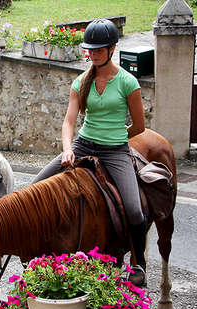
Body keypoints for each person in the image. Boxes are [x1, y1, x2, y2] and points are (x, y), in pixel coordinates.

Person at [32, 18, 148, 286]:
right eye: (90, 50)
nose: (93, 55)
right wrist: (67, 150)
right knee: (35, 185)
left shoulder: (128, 83)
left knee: (133, 208)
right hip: (82, 144)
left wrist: (116, 139)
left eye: (99, 50)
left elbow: (140, 126)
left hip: (115, 151)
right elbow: (69, 122)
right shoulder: (81, 81)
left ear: (112, 48)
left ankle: (139, 262)